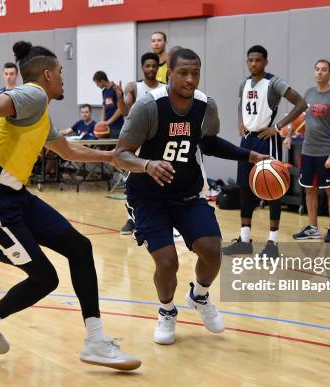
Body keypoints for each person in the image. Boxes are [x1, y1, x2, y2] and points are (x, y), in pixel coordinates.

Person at [0, 41, 141, 371]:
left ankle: (96, 341)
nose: (63, 78)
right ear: (47, 74)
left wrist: (109, 156)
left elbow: (67, 151)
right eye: (60, 72)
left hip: (13, 197)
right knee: (45, 278)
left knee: (79, 247)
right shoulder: (32, 95)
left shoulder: (38, 111)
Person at [113, 48, 271, 345]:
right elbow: (120, 155)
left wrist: (250, 156)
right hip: (148, 198)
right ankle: (167, 311)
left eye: (195, 73)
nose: (190, 79)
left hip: (187, 194)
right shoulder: (148, 107)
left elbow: (209, 143)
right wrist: (147, 165)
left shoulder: (204, 106)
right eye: (183, 73)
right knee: (168, 262)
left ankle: (199, 296)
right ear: (168, 73)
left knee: (212, 250)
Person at [221, 45, 307, 257]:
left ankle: (273, 244)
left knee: (273, 189)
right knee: (244, 188)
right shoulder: (244, 83)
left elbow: (301, 103)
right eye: (250, 60)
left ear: (265, 61)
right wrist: (240, 122)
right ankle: (244, 239)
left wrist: (277, 128)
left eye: (258, 60)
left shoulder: (274, 82)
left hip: (266, 140)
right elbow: (241, 104)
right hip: (247, 141)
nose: (253, 64)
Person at [293, 59, 330, 243]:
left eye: (323, 70)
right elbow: (305, 120)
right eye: (317, 69)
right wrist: (289, 133)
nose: (319, 72)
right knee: (309, 190)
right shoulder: (309, 93)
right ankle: (313, 228)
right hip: (308, 151)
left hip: (326, 152)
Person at [117, 52, 166, 235]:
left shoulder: (165, 88)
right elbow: (125, 111)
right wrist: (120, 97)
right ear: (142, 67)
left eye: (154, 66)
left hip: (159, 143)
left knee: (159, 181)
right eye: (148, 66)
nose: (151, 69)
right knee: (132, 183)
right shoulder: (135, 87)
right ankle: (132, 219)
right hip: (137, 144)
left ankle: (160, 218)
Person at [92, 71, 124, 139]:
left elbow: (120, 109)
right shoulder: (104, 91)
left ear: (102, 81)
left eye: (97, 83)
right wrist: (102, 122)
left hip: (117, 127)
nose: (97, 86)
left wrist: (108, 122)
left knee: (113, 147)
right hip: (107, 127)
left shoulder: (115, 89)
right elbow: (104, 108)